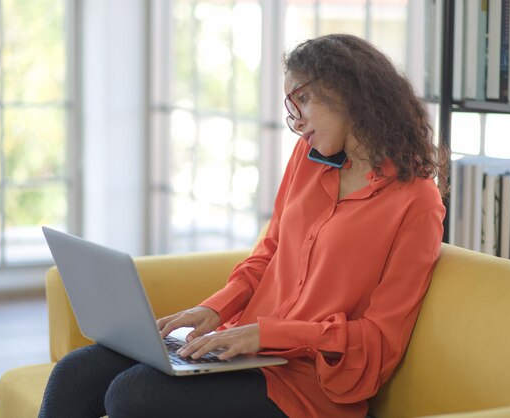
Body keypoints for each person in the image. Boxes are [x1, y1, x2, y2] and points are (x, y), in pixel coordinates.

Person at [39, 33, 447, 418]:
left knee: (133, 394)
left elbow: (379, 337)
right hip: (242, 347)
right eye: (291, 104)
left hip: (308, 382)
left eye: (302, 99)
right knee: (75, 373)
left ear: (350, 92)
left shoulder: (416, 201)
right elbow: (267, 254)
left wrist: (268, 335)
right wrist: (213, 309)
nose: (298, 120)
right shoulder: (307, 159)